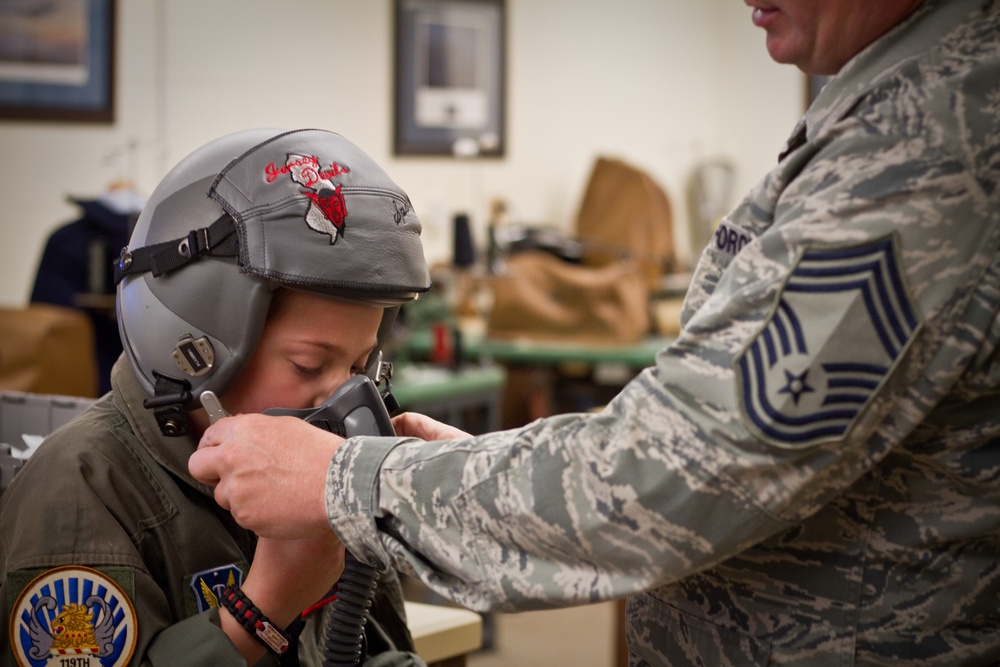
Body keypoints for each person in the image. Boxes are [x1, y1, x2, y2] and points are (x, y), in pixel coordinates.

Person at [190, 1, 1000, 664]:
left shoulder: (937, 136)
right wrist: (434, 469)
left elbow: (677, 472)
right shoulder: (884, 104)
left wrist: (351, 481)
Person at [1, 128, 432, 667]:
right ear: (191, 348)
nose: (345, 397)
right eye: (308, 364)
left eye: (358, 364)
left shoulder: (319, 472)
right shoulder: (82, 487)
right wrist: (264, 608)